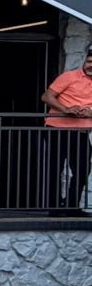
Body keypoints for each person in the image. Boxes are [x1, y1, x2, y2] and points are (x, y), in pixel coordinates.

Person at [42, 46, 92, 212]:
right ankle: (54, 207)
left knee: (83, 170)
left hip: (81, 132)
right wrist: (66, 110)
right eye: (89, 61)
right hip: (57, 129)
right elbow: (46, 96)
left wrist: (89, 111)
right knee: (55, 168)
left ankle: (72, 206)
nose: (90, 65)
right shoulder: (69, 76)